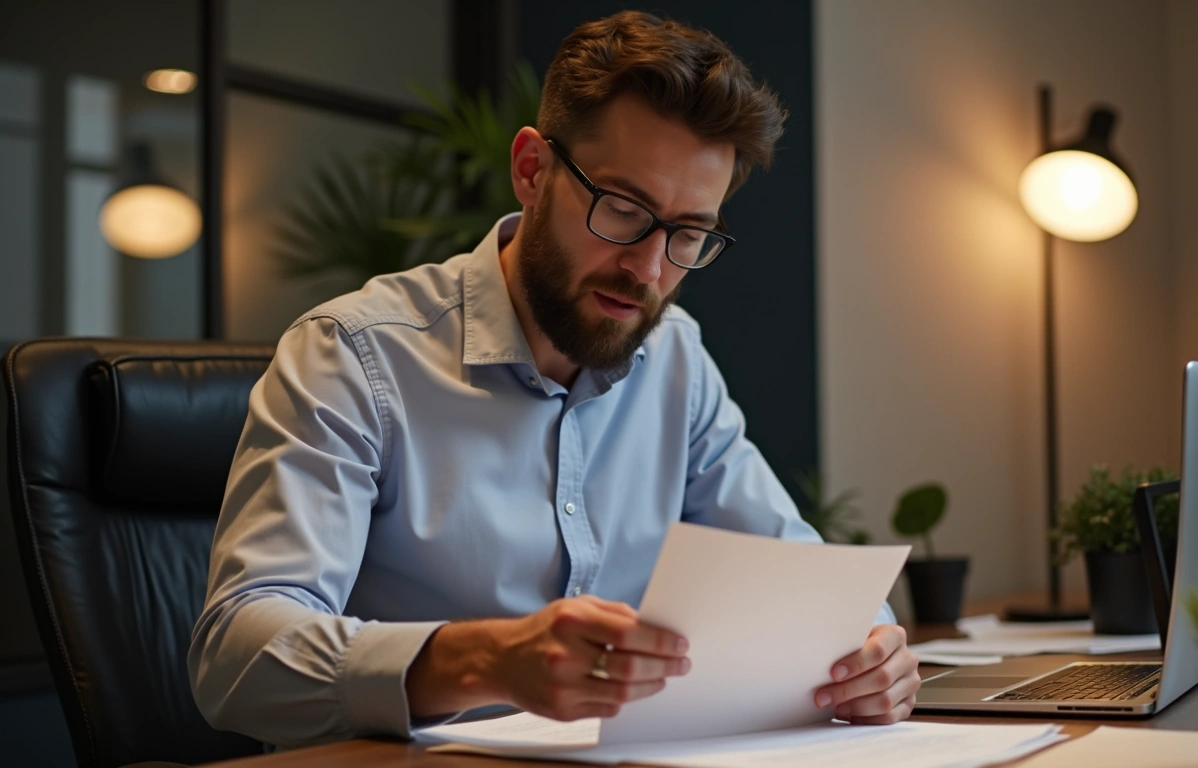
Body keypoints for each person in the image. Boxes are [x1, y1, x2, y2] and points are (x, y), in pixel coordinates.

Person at [189, 10, 920, 749]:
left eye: (689, 234)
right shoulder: (353, 355)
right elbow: (237, 657)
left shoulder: (675, 358)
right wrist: (487, 661)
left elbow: (803, 577)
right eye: (623, 209)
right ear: (532, 169)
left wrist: (870, 649)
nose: (648, 268)